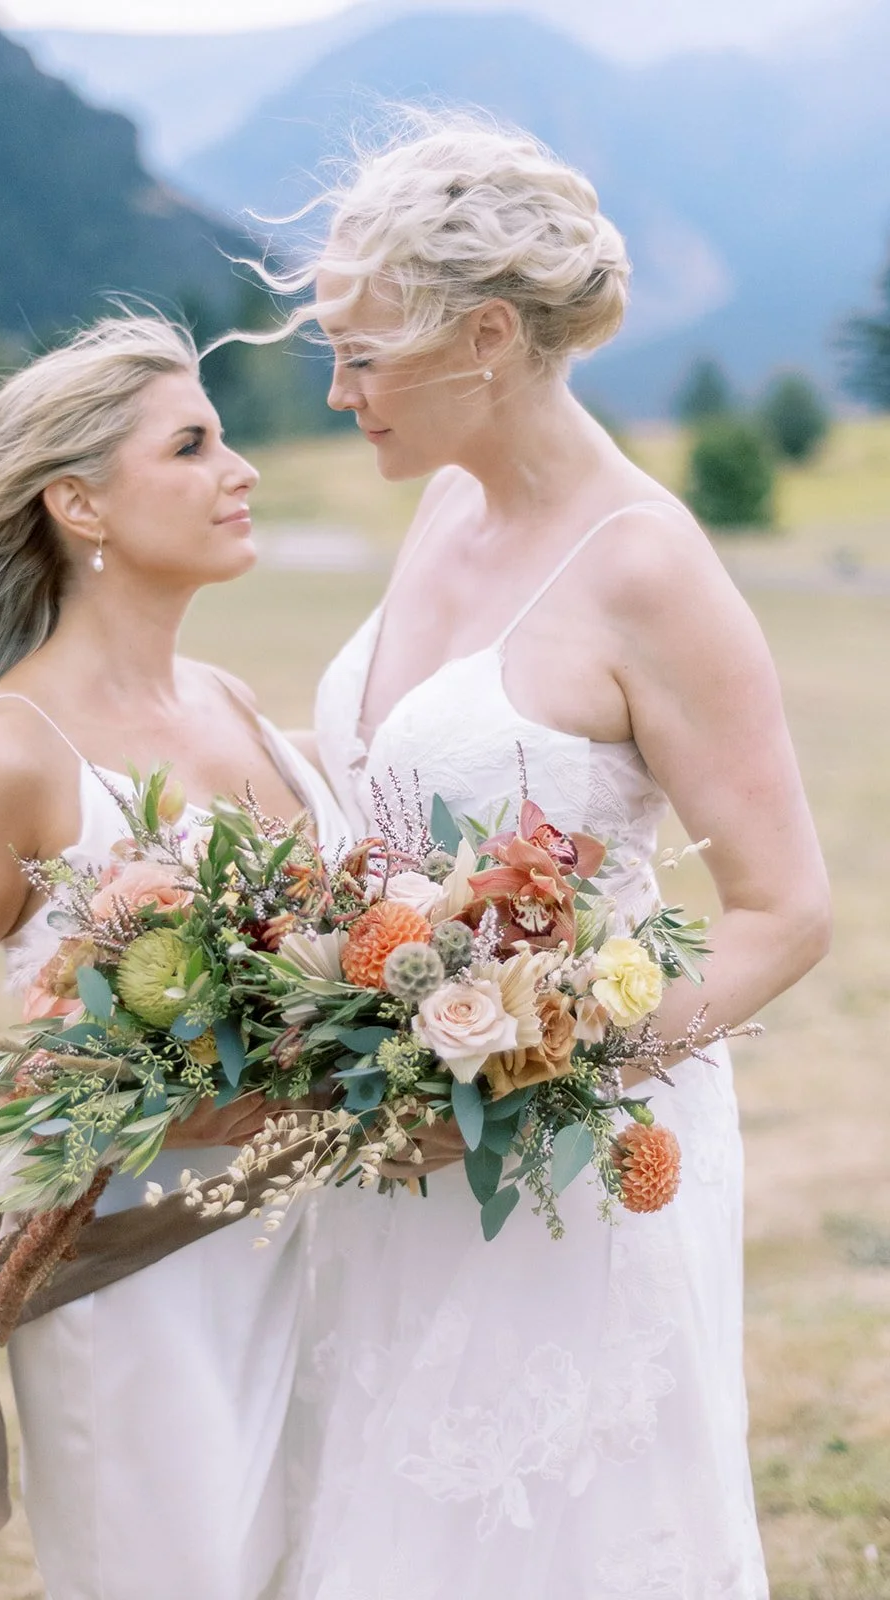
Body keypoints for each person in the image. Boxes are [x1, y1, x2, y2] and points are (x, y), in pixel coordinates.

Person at [282, 114, 830, 1597]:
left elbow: (786, 910)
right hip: (396, 1136)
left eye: (361, 357)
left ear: (486, 337)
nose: (337, 393)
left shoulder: (647, 565)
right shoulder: (444, 505)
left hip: (565, 1159)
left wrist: (535, 1073)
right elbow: (390, 799)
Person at [0, 314, 347, 1600]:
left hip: (323, 1240)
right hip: (134, 1268)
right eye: (192, 446)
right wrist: (113, 1105)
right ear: (80, 504)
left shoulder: (230, 700)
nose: (239, 470)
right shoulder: (14, 751)